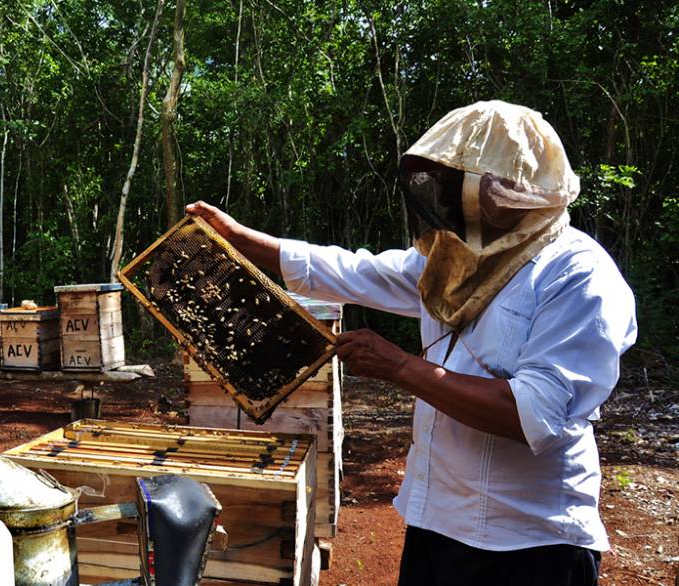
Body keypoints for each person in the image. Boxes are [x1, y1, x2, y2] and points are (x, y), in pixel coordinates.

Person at [187, 100, 637, 586]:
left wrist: (401, 367)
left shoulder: (578, 275)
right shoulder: (455, 260)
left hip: (530, 542)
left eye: (455, 185)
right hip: (437, 520)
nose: (441, 199)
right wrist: (242, 239)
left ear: (512, 192)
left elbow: (533, 414)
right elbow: (354, 270)